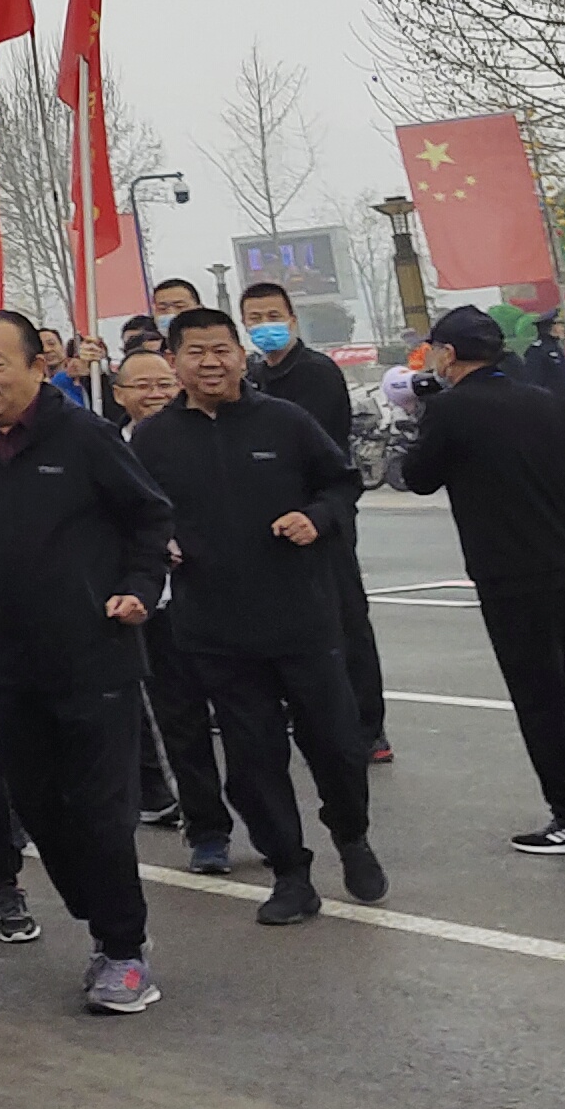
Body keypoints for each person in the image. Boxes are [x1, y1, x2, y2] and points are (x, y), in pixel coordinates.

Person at [0, 311, 178, 1014]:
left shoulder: (84, 436)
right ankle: (100, 917)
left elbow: (149, 516)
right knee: (39, 807)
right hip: (5, 659)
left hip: (93, 654)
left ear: (38, 365)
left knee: (101, 809)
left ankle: (124, 949)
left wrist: (137, 589)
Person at [131, 313, 383, 923]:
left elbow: (341, 485)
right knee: (252, 758)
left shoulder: (286, 422)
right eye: (195, 352)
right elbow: (135, 514)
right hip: (214, 626)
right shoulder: (154, 439)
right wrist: (157, 542)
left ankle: (350, 834)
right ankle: (290, 872)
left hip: (301, 616)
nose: (209, 363)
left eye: (221, 350)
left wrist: (315, 519)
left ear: (241, 357)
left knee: (336, 744)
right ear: (174, 360)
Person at [398, 306, 565, 854]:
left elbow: (417, 478)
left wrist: (425, 413)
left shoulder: (452, 412)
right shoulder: (548, 404)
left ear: (448, 354)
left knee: (539, 696)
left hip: (512, 574)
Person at [237, 279, 393, 761]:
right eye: (255, 319)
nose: (265, 327)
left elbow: (318, 452)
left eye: (272, 316)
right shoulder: (255, 376)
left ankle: (369, 729)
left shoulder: (316, 373)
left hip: (321, 515)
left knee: (345, 621)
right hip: (272, 523)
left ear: (292, 319)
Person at [103, 349, 229, 866]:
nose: (154, 394)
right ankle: (206, 831)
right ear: (118, 395)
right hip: (156, 606)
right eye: (141, 386)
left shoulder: (207, 438)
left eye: (163, 383)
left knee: (246, 723)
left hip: (220, 599)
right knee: (180, 723)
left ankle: (270, 824)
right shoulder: (105, 450)